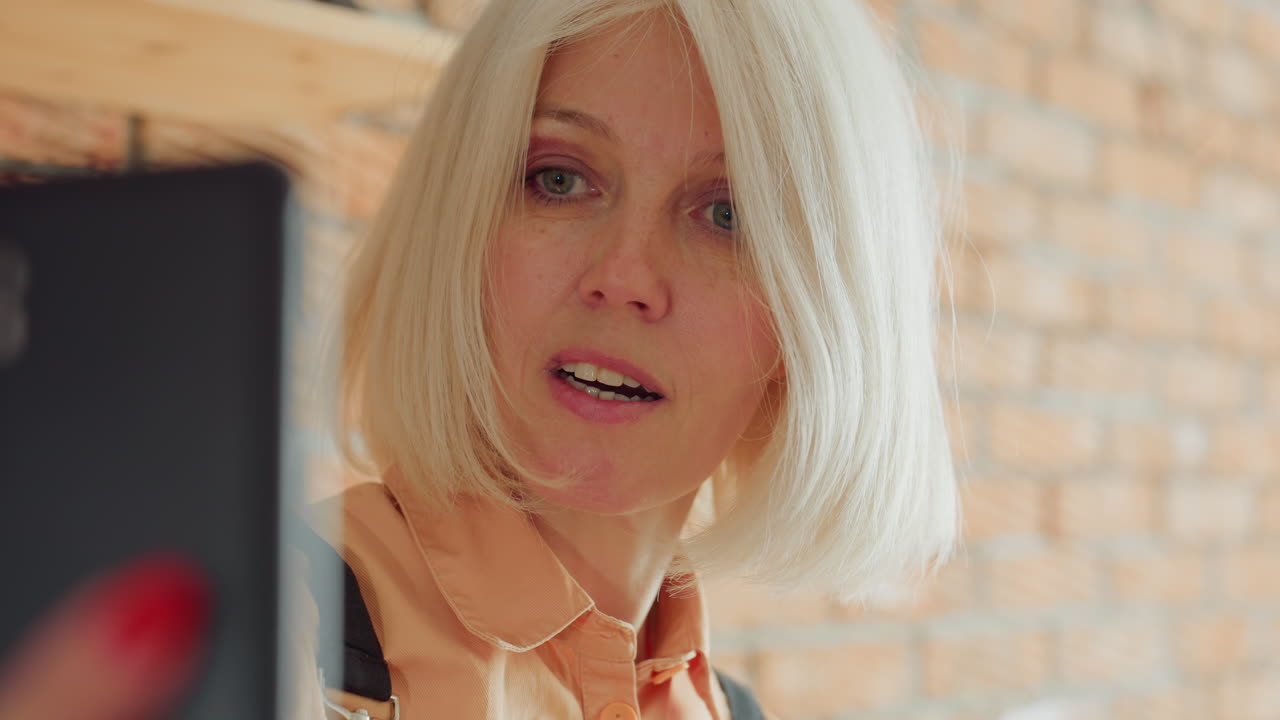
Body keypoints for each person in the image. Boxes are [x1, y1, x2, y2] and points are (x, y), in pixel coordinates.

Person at [0, 0, 959, 717]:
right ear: (460, 228)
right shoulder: (282, 636)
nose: (626, 276)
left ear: (816, 321)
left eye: (727, 214)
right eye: (559, 177)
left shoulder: (728, 708)